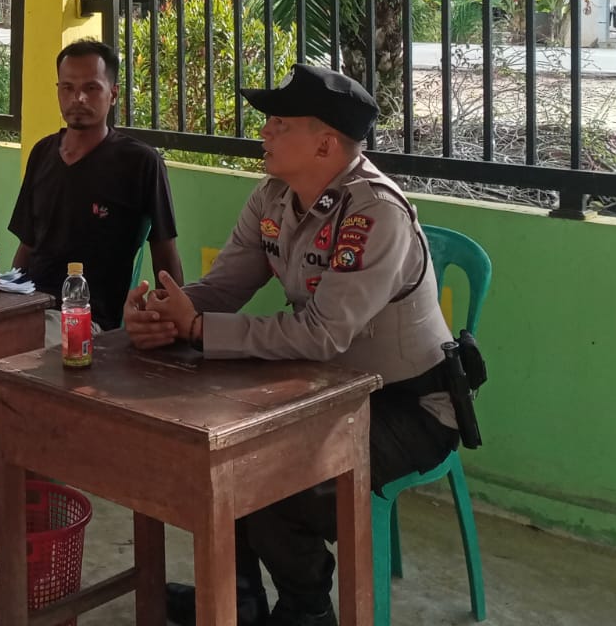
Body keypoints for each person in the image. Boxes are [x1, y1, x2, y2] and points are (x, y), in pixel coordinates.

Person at [125, 65, 459, 626]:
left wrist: (198, 328)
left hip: (406, 407)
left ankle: (306, 612)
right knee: (220, 455)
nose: (265, 133)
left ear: (326, 143)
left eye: (279, 123)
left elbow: (323, 333)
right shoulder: (273, 199)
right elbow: (225, 286)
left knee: (271, 480)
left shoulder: (375, 213)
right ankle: (241, 603)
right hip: (318, 393)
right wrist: (168, 309)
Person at [0, 39, 182, 431]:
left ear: (112, 93)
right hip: (27, 306)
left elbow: (165, 253)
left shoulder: (139, 163)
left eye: (91, 88)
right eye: (67, 87)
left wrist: (176, 330)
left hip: (83, 317)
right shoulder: (43, 152)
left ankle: (24, 469)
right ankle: (32, 454)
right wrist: (1, 303)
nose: (77, 98)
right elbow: (27, 246)